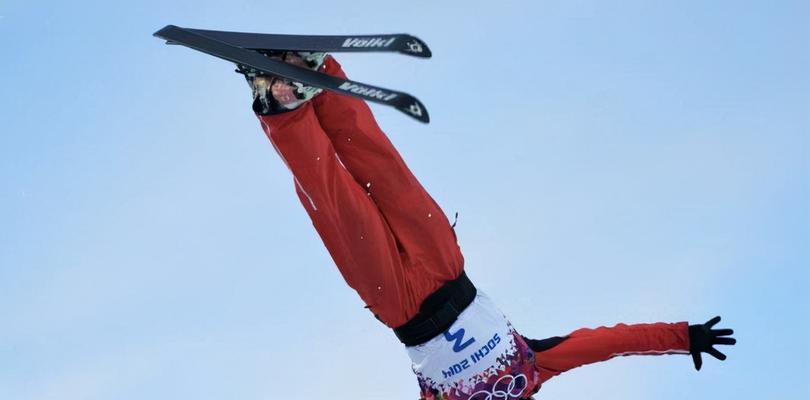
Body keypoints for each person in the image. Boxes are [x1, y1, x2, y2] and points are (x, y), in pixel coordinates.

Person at [238, 52, 736, 400]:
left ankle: (280, 102)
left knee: (336, 203)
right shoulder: (533, 370)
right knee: (386, 170)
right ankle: (319, 75)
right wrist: (681, 336)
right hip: (447, 271)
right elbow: (605, 344)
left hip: (400, 305)